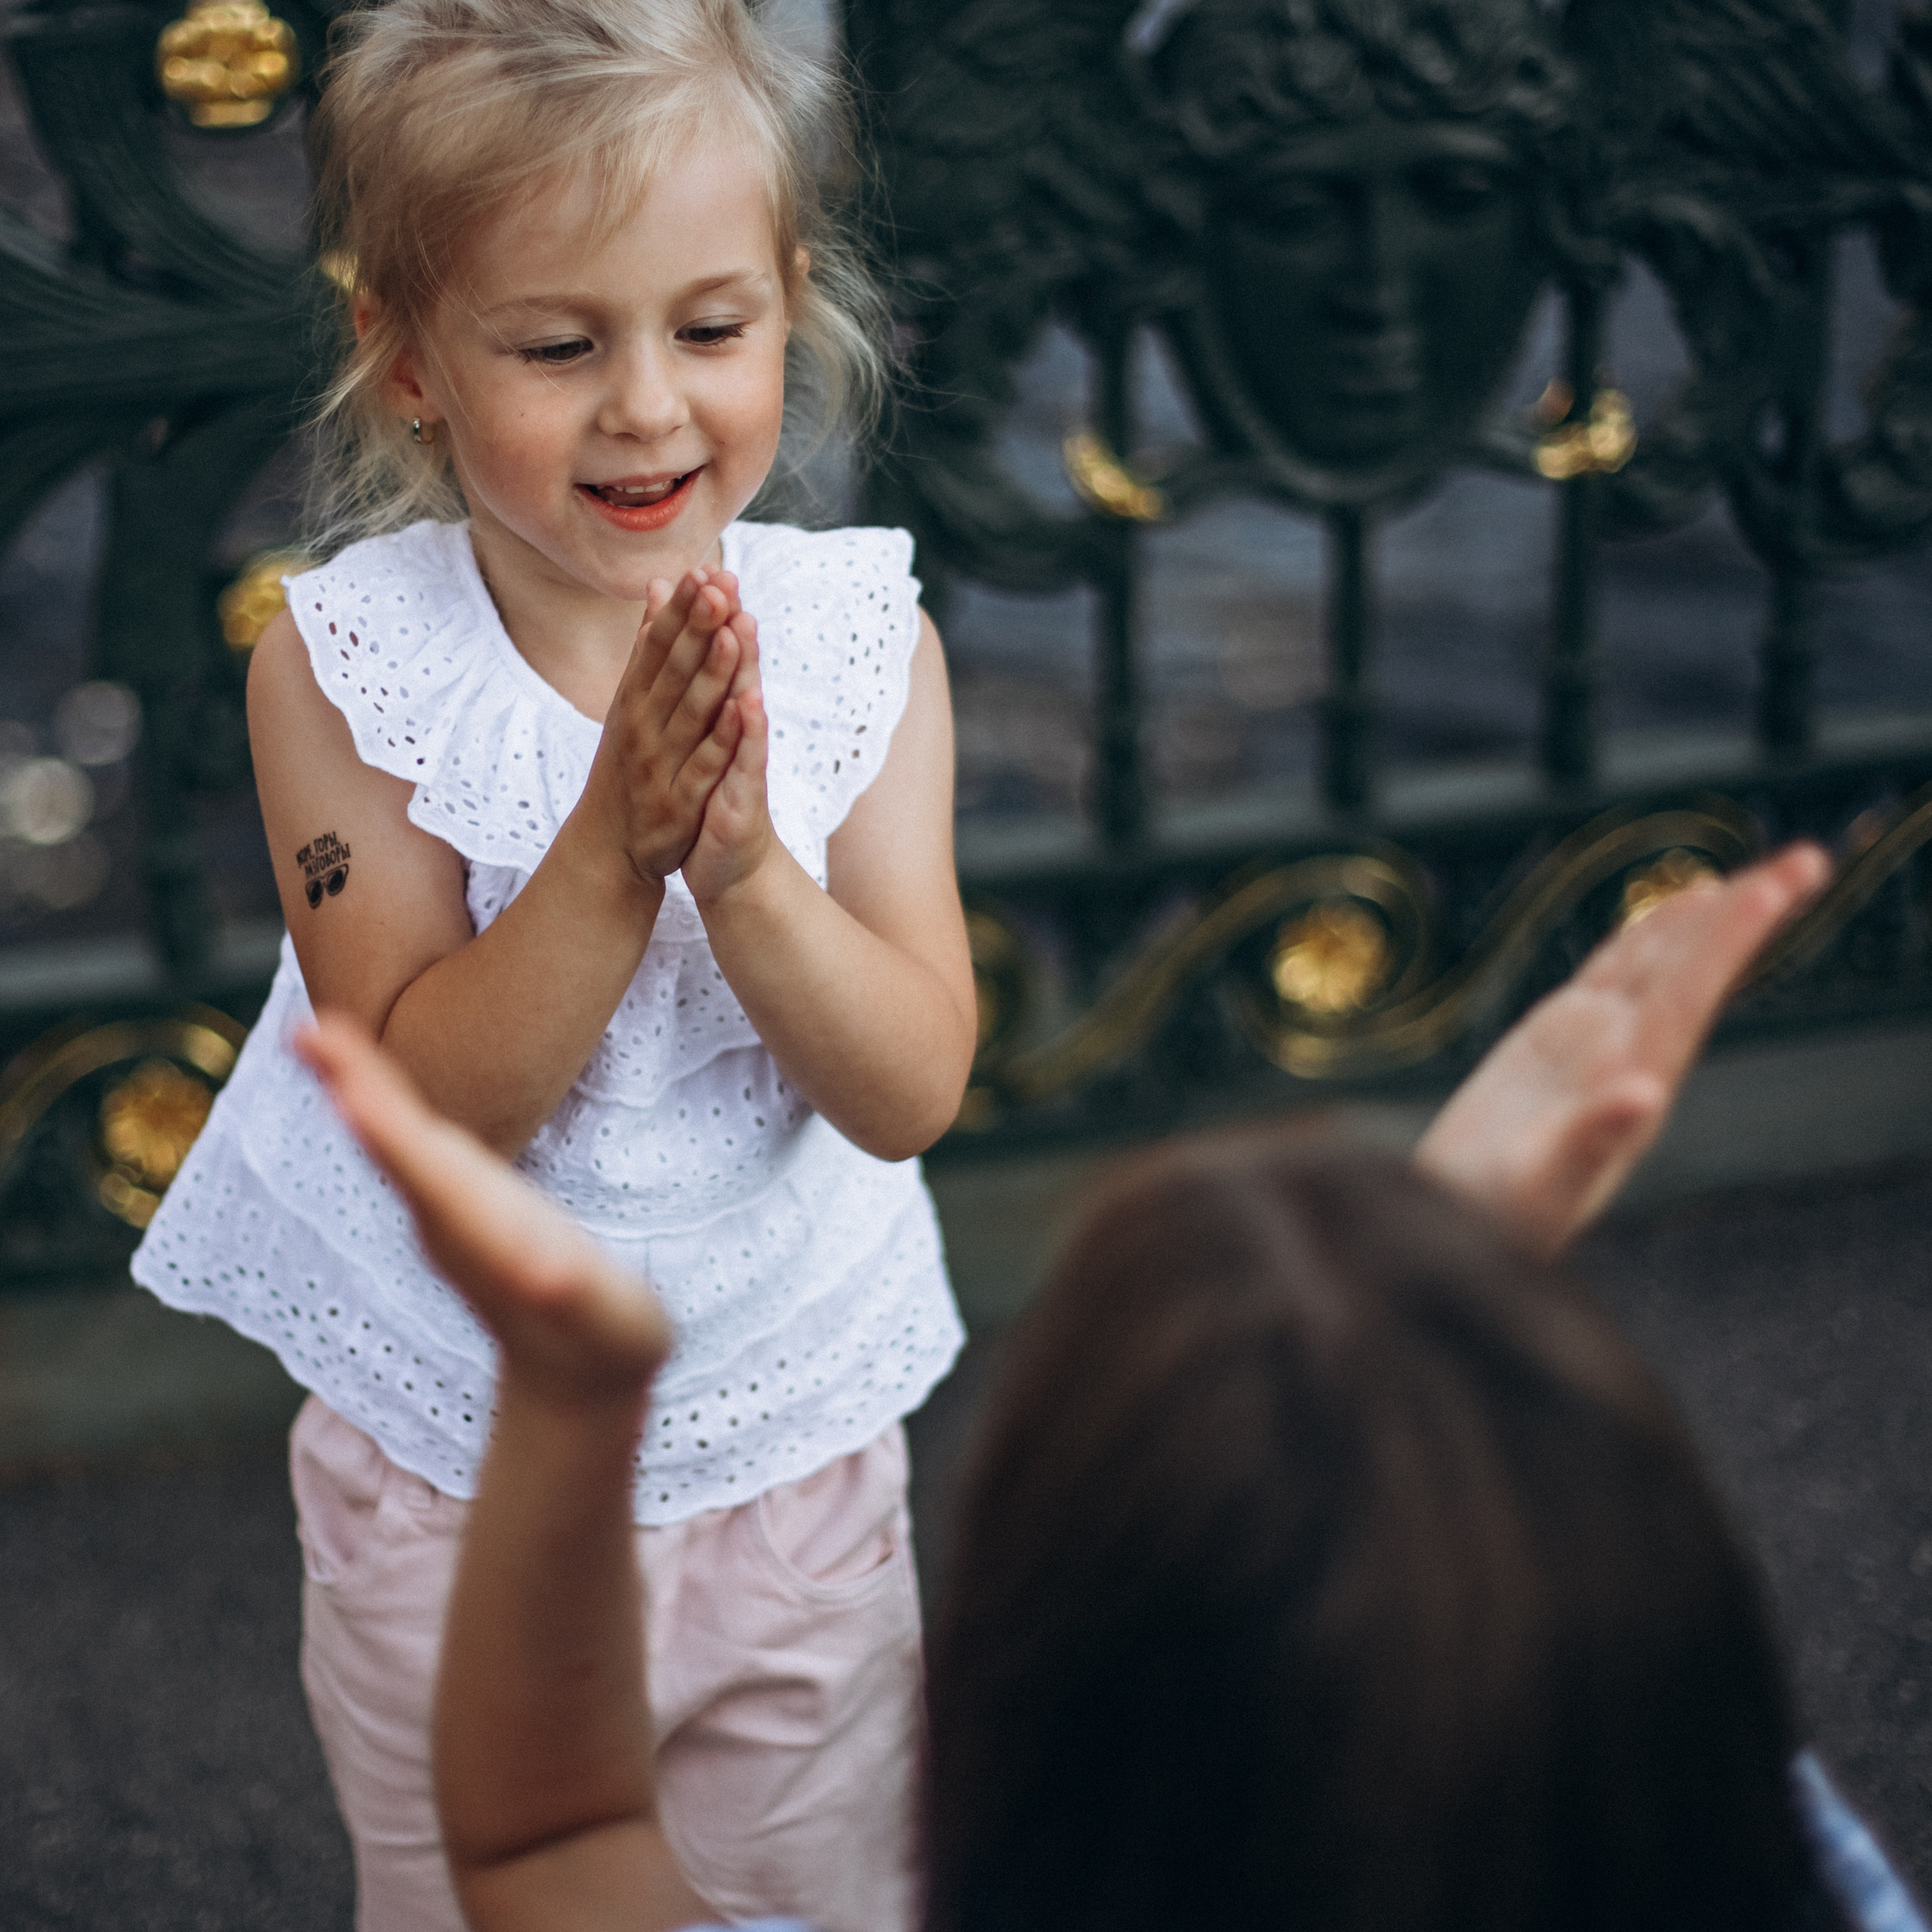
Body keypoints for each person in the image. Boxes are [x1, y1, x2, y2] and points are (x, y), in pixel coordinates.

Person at [300, 842, 1924, 1932]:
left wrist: (574, 1397)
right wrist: (1453, 1279)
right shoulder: (1776, 1865)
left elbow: (545, 1841)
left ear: (1026, 1704)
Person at [128, 5, 974, 1929]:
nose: (649, 409)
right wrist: (613, 842)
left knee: (820, 1898)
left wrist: (745, 865)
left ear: (790, 305)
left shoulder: (859, 646)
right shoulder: (339, 675)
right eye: (556, 344)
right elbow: (440, 1103)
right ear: (406, 357)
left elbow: (911, 1082)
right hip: (462, 1476)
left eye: (707, 327)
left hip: (786, 1453)